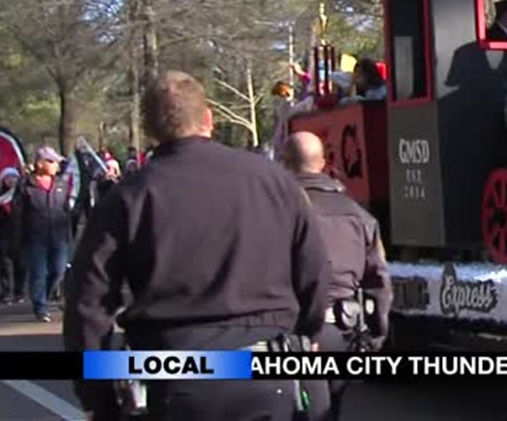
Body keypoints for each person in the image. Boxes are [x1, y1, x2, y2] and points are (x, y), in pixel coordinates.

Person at [64, 70, 332, 421]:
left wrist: (97, 398)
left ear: (150, 130)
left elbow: (88, 305)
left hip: (176, 373)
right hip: (266, 369)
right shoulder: (273, 182)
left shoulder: (129, 197)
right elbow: (314, 267)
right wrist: (309, 333)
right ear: (209, 119)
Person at [285, 131, 392, 421]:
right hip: (344, 329)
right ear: (323, 163)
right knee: (332, 407)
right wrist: (376, 335)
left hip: (294, 330)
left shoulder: (276, 210)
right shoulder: (359, 216)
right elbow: (379, 282)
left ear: (285, 163)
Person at [12, 146, 73, 322]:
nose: (56, 165)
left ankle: (44, 297)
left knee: (58, 270)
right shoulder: (25, 185)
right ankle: (41, 307)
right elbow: (18, 214)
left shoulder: (60, 184)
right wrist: (18, 240)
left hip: (59, 236)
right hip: (35, 237)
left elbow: (66, 211)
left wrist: (69, 233)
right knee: (39, 273)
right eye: (52, 162)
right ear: (40, 163)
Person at [0, 167, 27, 304]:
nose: (12, 180)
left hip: (20, 234)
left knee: (20, 265)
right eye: (8, 178)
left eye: (14, 177)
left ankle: (19, 292)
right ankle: (5, 292)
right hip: (3, 234)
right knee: (5, 266)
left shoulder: (22, 194)